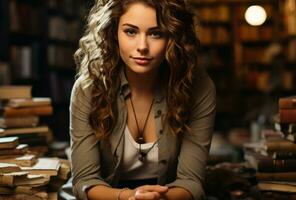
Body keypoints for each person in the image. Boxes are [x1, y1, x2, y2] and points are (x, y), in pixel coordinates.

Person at [69, 0, 216, 199]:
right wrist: (130, 197)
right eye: (130, 31)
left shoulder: (197, 86)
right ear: (113, 33)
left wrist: (157, 198)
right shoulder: (88, 88)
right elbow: (85, 182)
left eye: (156, 33)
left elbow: (191, 182)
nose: (142, 47)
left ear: (173, 37)